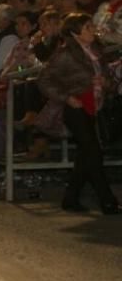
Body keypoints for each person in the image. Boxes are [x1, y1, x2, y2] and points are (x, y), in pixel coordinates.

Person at [38, 13, 119, 215]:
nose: (93, 30)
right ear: (75, 33)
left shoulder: (97, 52)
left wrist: (105, 83)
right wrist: (66, 97)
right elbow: (44, 80)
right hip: (76, 108)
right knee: (93, 152)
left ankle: (71, 197)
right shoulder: (66, 54)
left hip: (96, 107)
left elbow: (110, 81)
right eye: (88, 27)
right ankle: (107, 201)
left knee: (86, 155)